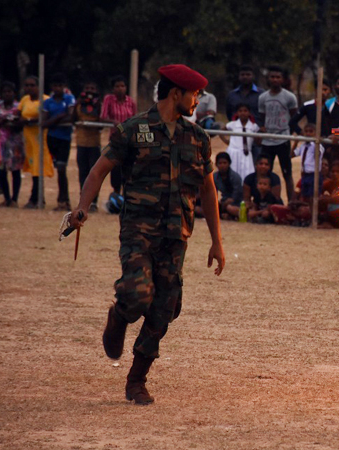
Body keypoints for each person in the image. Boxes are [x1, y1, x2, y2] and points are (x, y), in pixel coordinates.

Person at [68, 64, 225, 405]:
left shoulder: (197, 137)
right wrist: (82, 208)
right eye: (193, 94)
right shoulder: (133, 129)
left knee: (166, 308)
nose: (197, 99)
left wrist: (217, 241)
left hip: (176, 235)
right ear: (175, 94)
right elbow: (98, 171)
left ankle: (137, 379)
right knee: (138, 294)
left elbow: (209, 191)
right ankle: (119, 315)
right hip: (138, 231)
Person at [257, 65, 298, 202]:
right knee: (264, 173)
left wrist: (288, 133)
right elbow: (262, 118)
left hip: (282, 139)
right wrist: (262, 129)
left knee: (287, 174)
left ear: (283, 79)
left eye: (278, 77)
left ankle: (292, 204)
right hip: (267, 141)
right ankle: (265, 202)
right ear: (268, 79)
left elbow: (294, 118)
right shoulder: (263, 97)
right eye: (272, 77)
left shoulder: (290, 97)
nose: (275, 79)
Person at [41, 73, 75, 211]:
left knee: (62, 169)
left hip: (65, 139)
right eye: (55, 85)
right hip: (52, 139)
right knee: (57, 169)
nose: (57, 88)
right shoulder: (48, 102)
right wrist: (60, 116)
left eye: (60, 85)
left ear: (64, 86)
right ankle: (61, 200)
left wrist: (54, 120)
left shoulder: (69, 99)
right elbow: (44, 122)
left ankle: (64, 201)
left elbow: (71, 117)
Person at [18, 75, 53, 208]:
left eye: (32, 85)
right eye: (27, 85)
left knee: (39, 168)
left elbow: (44, 117)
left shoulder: (45, 100)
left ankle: (37, 198)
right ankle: (35, 198)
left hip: (41, 139)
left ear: (38, 86)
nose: (29, 88)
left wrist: (28, 121)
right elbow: (19, 114)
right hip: (28, 140)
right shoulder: (25, 100)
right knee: (33, 169)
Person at [100, 75, 137, 201]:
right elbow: (103, 116)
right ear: (113, 89)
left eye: (122, 86)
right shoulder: (109, 100)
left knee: (128, 166)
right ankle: (116, 194)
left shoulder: (131, 102)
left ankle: (128, 195)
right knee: (115, 167)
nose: (120, 89)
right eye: (117, 86)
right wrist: (114, 122)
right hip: (116, 138)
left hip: (129, 140)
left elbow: (135, 118)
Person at [0, 81, 24, 207]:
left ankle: (14, 199)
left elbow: (20, 122)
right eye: (4, 92)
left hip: (15, 143)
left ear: (14, 93)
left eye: (9, 91)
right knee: (1, 171)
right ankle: (6, 198)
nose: (7, 94)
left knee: (15, 171)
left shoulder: (18, 106)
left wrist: (9, 120)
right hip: (1, 143)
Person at [74, 80, 103, 212]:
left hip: (94, 143)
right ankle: (83, 200)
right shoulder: (80, 105)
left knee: (94, 173)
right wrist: (77, 103)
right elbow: (72, 118)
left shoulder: (99, 105)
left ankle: (94, 201)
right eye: (87, 88)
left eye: (92, 88)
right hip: (81, 143)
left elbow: (102, 123)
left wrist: (98, 106)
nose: (90, 91)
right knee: (82, 173)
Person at [220, 103, 258, 180]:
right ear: (237, 113)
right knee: (233, 174)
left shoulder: (254, 126)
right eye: (240, 111)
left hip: (246, 153)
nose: (243, 113)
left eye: (245, 111)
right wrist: (227, 141)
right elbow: (221, 131)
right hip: (233, 153)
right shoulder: (233, 124)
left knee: (247, 175)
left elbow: (257, 139)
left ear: (249, 113)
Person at [293, 123, 324, 202]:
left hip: (314, 175)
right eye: (306, 132)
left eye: (311, 132)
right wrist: (295, 143)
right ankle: (308, 213)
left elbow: (318, 154)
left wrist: (316, 141)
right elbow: (292, 154)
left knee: (313, 198)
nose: (308, 134)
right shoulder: (303, 146)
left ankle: (313, 213)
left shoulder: (317, 145)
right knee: (305, 197)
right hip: (305, 175)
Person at [213, 152, 243, 220]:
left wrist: (229, 201)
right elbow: (213, 192)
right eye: (220, 163)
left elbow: (237, 194)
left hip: (237, 202)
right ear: (216, 165)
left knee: (230, 208)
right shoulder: (215, 177)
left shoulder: (235, 177)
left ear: (229, 163)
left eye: (224, 163)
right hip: (223, 202)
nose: (222, 165)